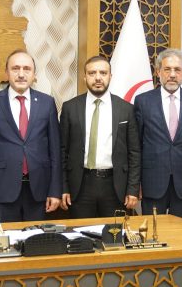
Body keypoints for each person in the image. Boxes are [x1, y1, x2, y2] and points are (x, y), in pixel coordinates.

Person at [0, 50, 62, 221]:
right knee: (6, 238)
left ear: (34, 75)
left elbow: (55, 151)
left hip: (39, 190)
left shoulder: (47, 103)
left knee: (36, 237)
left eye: (27, 69)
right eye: (15, 68)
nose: (21, 74)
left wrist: (55, 191)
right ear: (6, 73)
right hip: (2, 189)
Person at [59, 56, 140, 218]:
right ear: (84, 77)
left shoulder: (126, 109)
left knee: (113, 232)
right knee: (82, 233)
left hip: (115, 186)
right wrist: (63, 187)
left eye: (103, 73)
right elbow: (62, 151)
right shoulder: (70, 108)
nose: (97, 77)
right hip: (80, 186)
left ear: (110, 76)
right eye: (92, 73)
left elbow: (134, 152)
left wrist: (133, 189)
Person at [134, 48, 182, 221]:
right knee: (152, 232)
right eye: (167, 69)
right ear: (158, 72)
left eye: (177, 70)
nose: (172, 75)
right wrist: (136, 183)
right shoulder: (143, 101)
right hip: (152, 182)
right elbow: (136, 146)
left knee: (181, 233)